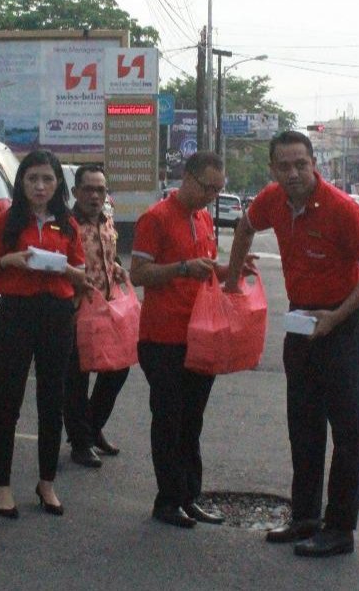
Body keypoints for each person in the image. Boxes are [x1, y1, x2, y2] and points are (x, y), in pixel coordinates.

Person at [225, 131, 359, 557]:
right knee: (303, 424)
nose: (294, 172)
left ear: (314, 162)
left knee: (347, 431)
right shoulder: (271, 200)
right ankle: (304, 518)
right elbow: (245, 226)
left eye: (301, 163)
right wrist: (231, 275)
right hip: (300, 321)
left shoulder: (341, 209)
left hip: (341, 320)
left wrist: (335, 317)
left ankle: (339, 530)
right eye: (285, 166)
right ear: (273, 170)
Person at [0, 150, 88, 518]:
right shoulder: (6, 221)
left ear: (58, 185)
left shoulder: (68, 224)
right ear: (21, 182)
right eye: (32, 179)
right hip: (17, 313)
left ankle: (46, 482)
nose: (40, 187)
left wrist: (66, 270)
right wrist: (10, 261)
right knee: (8, 396)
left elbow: (81, 272)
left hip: (56, 313)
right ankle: (2, 485)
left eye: (47, 180)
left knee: (52, 398)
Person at [130, 151, 228, 529]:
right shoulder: (155, 218)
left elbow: (205, 266)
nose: (211, 196)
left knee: (193, 420)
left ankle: (190, 496)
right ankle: (167, 500)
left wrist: (229, 268)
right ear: (187, 177)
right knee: (169, 418)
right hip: (163, 338)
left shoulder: (203, 219)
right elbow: (138, 274)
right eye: (207, 187)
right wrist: (182, 269)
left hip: (199, 335)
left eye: (218, 190)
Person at [65, 164, 130, 468]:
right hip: (75, 311)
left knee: (117, 369)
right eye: (88, 189)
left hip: (106, 307)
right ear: (76, 191)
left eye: (100, 190)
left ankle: (92, 428)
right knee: (77, 380)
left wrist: (116, 266)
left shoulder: (107, 221)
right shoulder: (65, 224)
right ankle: (80, 443)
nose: (94, 195)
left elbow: (109, 254)